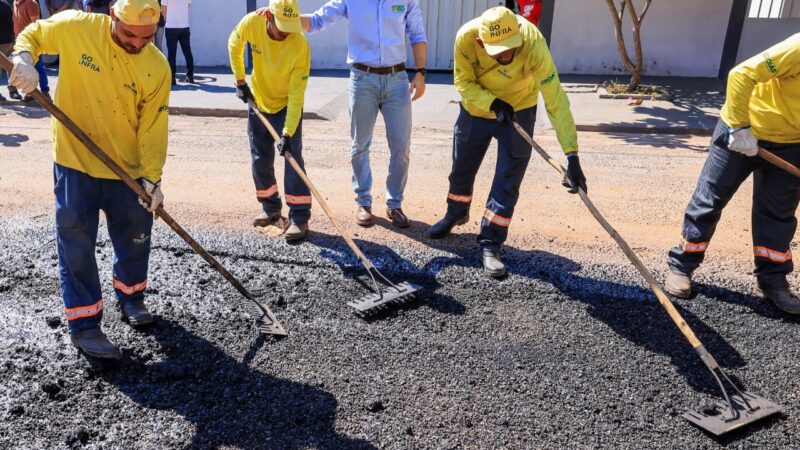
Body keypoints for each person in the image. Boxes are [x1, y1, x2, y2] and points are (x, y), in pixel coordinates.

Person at [10, 0, 171, 359]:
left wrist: (151, 179)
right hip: (74, 162)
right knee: (76, 241)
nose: (137, 43)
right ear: (113, 15)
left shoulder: (156, 65)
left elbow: (154, 127)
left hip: (127, 171)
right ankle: (85, 324)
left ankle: (132, 297)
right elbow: (33, 34)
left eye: (147, 37)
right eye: (130, 34)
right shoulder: (78, 28)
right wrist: (24, 58)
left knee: (135, 236)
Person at [427, 6, 586, 278]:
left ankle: (491, 242)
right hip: (477, 108)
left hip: (520, 108)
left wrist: (572, 156)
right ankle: (456, 212)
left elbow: (556, 99)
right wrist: (492, 103)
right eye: (498, 50)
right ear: (481, 43)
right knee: (462, 166)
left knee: (508, 178)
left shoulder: (533, 42)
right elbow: (463, 83)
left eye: (510, 47)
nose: (506, 55)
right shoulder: (466, 38)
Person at [665, 34, 800, 314]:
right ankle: (682, 265)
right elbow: (742, 74)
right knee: (710, 200)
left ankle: (772, 280)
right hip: (743, 130)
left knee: (778, 214)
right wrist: (739, 128)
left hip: (792, 143)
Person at [281, 0, 427, 228]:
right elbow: (318, 21)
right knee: (360, 145)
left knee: (401, 147)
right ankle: (364, 203)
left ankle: (394, 203)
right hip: (363, 79)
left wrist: (420, 73)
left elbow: (417, 34)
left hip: (397, 79)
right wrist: (281, 18)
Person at [229, 0, 312, 242]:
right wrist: (240, 81)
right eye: (280, 26)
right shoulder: (251, 23)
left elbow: (297, 95)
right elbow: (234, 43)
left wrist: (287, 133)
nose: (285, 32)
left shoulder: (300, 45)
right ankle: (271, 208)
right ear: (268, 16)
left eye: (290, 26)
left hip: (287, 105)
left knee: (292, 159)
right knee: (260, 159)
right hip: (258, 101)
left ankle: (299, 216)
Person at [13, 0, 52, 100]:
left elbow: (36, 25)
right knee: (26, 68)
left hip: (31, 42)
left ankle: (45, 91)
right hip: (20, 43)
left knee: (38, 66)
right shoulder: (15, 3)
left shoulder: (30, 3)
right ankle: (30, 93)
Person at [161, 0, 192, 84]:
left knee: (171, 54)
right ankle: (190, 76)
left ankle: (172, 78)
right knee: (187, 52)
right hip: (184, 26)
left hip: (171, 26)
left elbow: (163, 8)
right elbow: (188, 5)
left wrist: (166, 18)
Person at [0, 0, 22, 102]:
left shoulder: (5, 3)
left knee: (13, 68)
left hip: (11, 40)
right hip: (2, 42)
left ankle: (13, 90)